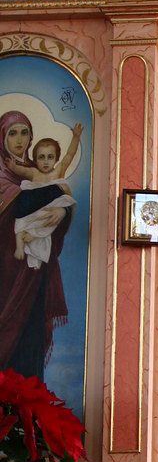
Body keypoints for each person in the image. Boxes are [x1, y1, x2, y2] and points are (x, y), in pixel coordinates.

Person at [0, 110, 72, 378]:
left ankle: (27, 410)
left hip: (34, 273)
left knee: (30, 336)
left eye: (24, 133)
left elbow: (54, 209)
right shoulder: (5, 174)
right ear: (2, 137)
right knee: (6, 333)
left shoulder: (36, 169)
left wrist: (64, 211)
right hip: (6, 273)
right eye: (12, 133)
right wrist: (58, 193)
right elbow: (23, 204)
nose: (19, 140)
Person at [12, 123, 82, 268]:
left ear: (56, 159)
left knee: (52, 216)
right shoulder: (34, 172)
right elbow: (21, 171)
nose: (45, 161)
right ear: (35, 159)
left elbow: (70, 154)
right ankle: (20, 243)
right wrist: (12, 166)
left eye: (50, 157)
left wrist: (76, 137)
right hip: (32, 210)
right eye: (41, 157)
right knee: (23, 220)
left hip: (50, 209)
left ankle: (35, 235)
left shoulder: (58, 172)